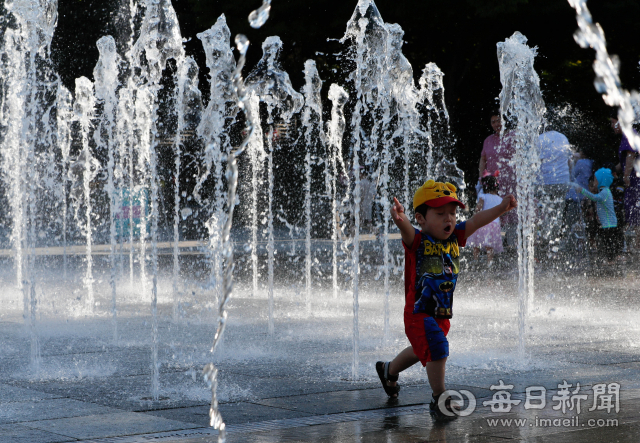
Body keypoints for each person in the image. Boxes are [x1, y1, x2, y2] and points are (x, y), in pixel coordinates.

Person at [375, 179, 517, 420]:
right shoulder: (418, 241)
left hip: (441, 312)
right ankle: (440, 397)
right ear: (421, 218)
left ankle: (388, 370)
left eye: (451, 213)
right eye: (440, 214)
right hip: (418, 311)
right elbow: (406, 229)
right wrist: (400, 219)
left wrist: (501, 208)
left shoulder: (455, 237)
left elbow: (475, 220)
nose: (448, 219)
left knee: (424, 351)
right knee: (438, 349)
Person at [479, 111, 517, 248]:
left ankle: (512, 245)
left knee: (512, 211)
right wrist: (480, 177)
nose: (496, 124)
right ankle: (493, 245)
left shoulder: (513, 136)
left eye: (498, 120)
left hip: (511, 181)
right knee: (493, 212)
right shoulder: (488, 140)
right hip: (493, 184)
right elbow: (483, 159)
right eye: (493, 122)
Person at [571, 168, 621, 263]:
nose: (593, 182)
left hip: (609, 224)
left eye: (595, 179)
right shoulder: (605, 191)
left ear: (601, 180)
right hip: (607, 224)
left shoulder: (605, 192)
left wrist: (582, 191)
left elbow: (595, 198)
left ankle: (611, 261)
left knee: (609, 243)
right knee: (607, 243)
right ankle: (611, 259)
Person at [537, 130, 572, 250]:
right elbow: (569, 160)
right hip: (562, 180)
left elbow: (535, 162)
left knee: (545, 211)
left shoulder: (539, 138)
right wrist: (569, 177)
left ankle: (543, 240)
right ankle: (553, 242)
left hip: (545, 182)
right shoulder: (563, 137)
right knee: (558, 212)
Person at [611, 116, 640, 251]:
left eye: (612, 122)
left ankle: (637, 246)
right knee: (634, 212)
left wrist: (626, 176)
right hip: (634, 179)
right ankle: (635, 245)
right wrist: (611, 170)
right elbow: (623, 162)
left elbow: (630, 155)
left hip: (635, 180)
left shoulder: (629, 134)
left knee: (635, 212)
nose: (612, 126)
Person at [466, 170, 503, 265]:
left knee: (476, 243)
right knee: (489, 245)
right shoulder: (500, 199)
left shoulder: (483, 196)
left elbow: (478, 209)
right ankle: (489, 262)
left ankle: (475, 260)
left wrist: (474, 216)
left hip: (483, 223)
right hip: (495, 225)